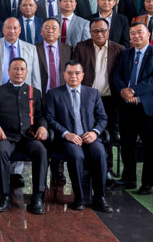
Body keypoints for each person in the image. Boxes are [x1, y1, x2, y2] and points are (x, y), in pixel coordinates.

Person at [45, 60, 113, 213]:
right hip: (67, 138)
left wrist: (95, 132)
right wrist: (66, 134)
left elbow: (102, 118)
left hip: (90, 136)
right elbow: (50, 119)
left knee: (100, 153)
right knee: (76, 155)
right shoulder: (54, 94)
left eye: (77, 73)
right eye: (69, 73)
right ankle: (79, 197)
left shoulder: (93, 93)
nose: (73, 76)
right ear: (64, 74)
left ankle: (99, 198)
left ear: (82, 75)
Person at [0, 58, 48, 214]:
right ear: (8, 72)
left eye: (22, 69)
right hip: (6, 136)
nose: (18, 72)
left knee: (41, 150)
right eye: (15, 69)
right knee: (0, 151)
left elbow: (41, 116)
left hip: (28, 137)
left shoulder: (35, 92)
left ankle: (38, 196)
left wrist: (42, 127)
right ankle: (4, 195)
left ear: (27, 72)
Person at [112, 22, 153, 195]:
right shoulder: (126, 53)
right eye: (133, 33)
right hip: (127, 106)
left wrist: (135, 91)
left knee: (149, 146)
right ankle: (128, 178)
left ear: (148, 34)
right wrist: (124, 91)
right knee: (127, 144)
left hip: (148, 107)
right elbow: (117, 74)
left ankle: (148, 182)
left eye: (140, 33)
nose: (136, 36)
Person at [72, 18, 125, 181]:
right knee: (86, 133)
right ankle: (87, 169)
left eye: (103, 30)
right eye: (95, 31)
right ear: (90, 32)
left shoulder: (120, 49)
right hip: (86, 100)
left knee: (107, 134)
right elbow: (75, 71)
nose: (99, 34)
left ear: (108, 31)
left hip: (110, 100)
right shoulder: (82, 47)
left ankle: (106, 169)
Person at [0, 17, 41, 91]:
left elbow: (35, 76)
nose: (12, 31)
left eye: (15, 28)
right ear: (3, 29)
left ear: (20, 30)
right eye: (8, 28)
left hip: (24, 93)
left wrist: (36, 96)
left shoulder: (31, 49)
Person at [35, 18, 72, 96]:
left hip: (63, 93)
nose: (50, 31)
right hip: (42, 93)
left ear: (59, 32)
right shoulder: (34, 49)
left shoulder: (68, 49)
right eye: (47, 28)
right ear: (41, 31)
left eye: (54, 28)